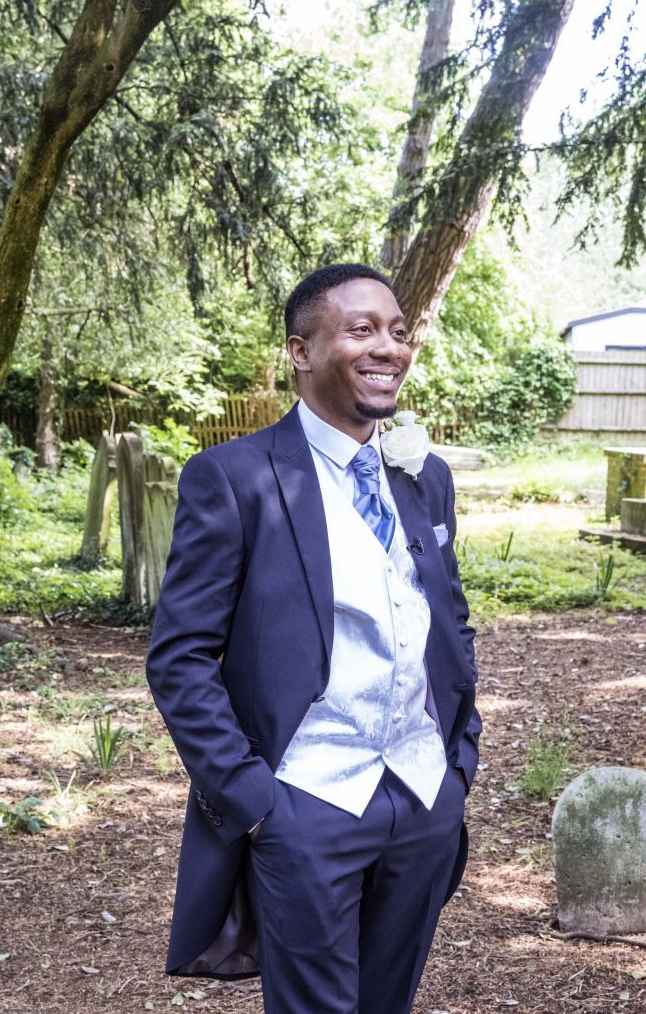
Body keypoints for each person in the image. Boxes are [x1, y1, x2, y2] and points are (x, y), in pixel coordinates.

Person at [146, 263, 481, 1014]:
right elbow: (180, 657)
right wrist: (254, 799)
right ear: (300, 352)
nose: (388, 347)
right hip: (305, 804)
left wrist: (460, 761)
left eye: (397, 331)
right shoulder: (233, 477)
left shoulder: (423, 478)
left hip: (424, 797)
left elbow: (447, 616)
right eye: (360, 330)